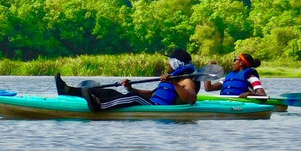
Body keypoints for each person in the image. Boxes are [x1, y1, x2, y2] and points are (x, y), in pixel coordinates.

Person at [55, 49, 199, 112]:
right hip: (152, 102)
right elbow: (151, 94)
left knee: (134, 98)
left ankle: (100, 106)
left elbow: (192, 98)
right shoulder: (172, 79)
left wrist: (174, 83)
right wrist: (131, 88)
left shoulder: (186, 81)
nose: (167, 64)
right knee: (110, 91)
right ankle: (69, 90)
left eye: (170, 61)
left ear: (177, 64)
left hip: (156, 108)